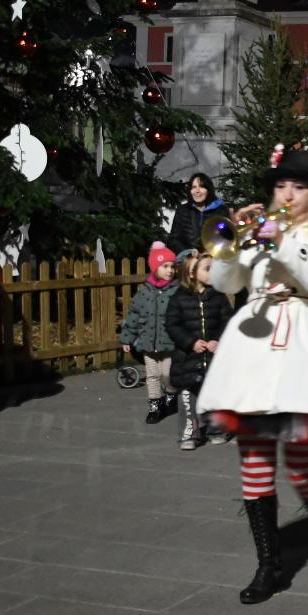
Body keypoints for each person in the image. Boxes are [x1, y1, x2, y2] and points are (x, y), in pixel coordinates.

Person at [199, 145, 308, 601]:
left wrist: (284, 243)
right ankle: (269, 566)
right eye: (281, 186)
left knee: (301, 463)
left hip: (304, 344)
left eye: (297, 187)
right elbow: (223, 283)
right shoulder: (260, 230)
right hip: (253, 347)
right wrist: (236, 242)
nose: (287, 194)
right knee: (253, 458)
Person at [165, 252, 233, 449]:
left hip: (212, 358)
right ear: (192, 274)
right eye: (207, 268)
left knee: (216, 396)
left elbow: (227, 320)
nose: (213, 272)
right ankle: (189, 434)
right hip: (187, 359)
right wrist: (190, 342)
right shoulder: (178, 298)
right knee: (188, 397)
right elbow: (172, 325)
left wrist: (218, 340)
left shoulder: (218, 296)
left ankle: (217, 430)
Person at [120, 243, 180, 425]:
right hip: (148, 342)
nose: (170, 270)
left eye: (172, 266)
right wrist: (127, 337)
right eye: (165, 266)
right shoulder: (144, 292)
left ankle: (171, 395)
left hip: (169, 342)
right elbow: (133, 315)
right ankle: (155, 404)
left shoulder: (177, 291)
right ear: (155, 267)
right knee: (153, 375)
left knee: (168, 374)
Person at [166, 172, 225, 256]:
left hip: (213, 259)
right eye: (194, 187)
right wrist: (188, 253)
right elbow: (173, 239)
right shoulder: (182, 210)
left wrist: (210, 253)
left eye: (201, 187)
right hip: (187, 260)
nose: (197, 191)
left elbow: (224, 237)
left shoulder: (221, 210)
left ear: (208, 190)